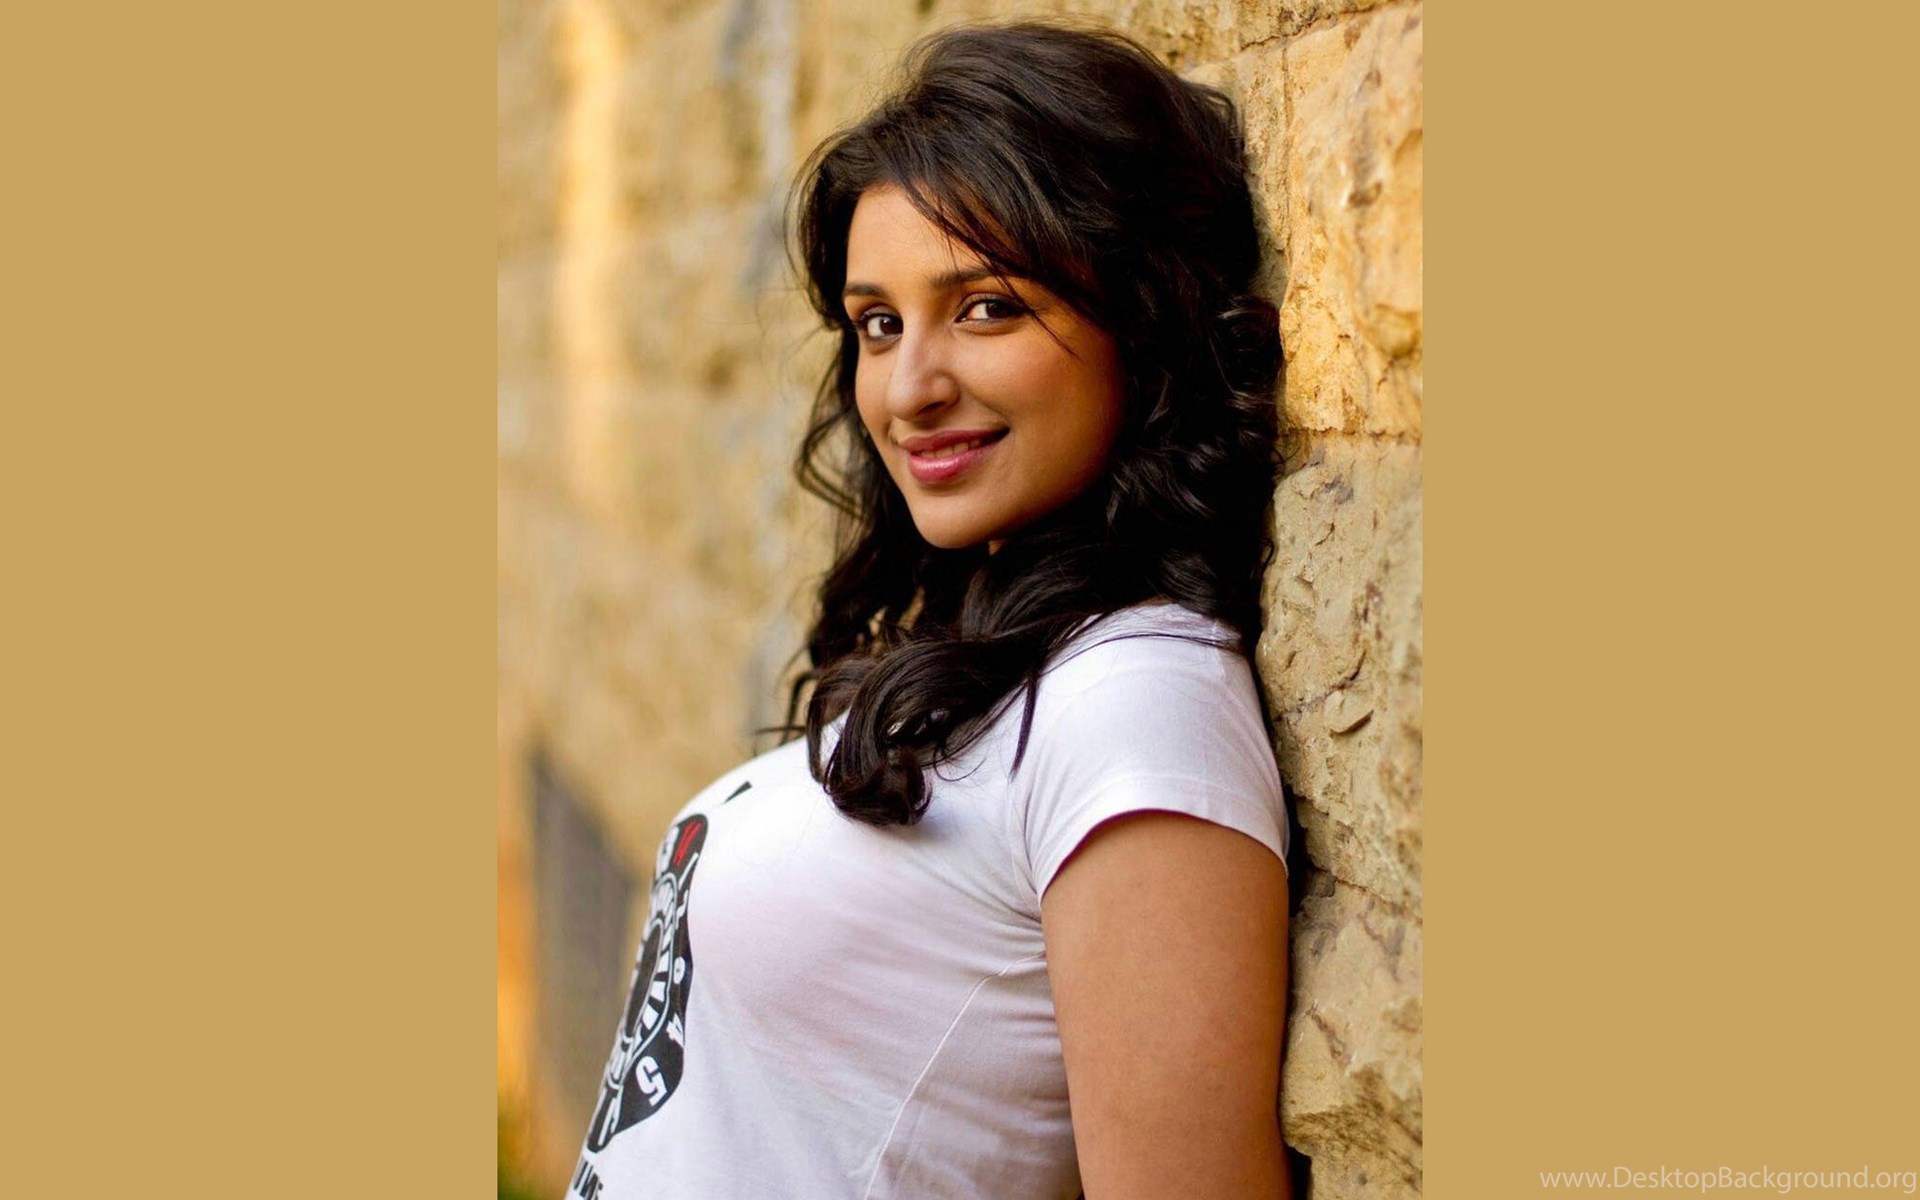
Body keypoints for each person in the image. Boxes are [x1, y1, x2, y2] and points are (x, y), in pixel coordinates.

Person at [567, 18, 1296, 1200]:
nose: (909, 390)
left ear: (1140, 314)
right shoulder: (1010, 644)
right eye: (879, 324)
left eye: (988, 307)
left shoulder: (1136, 710)